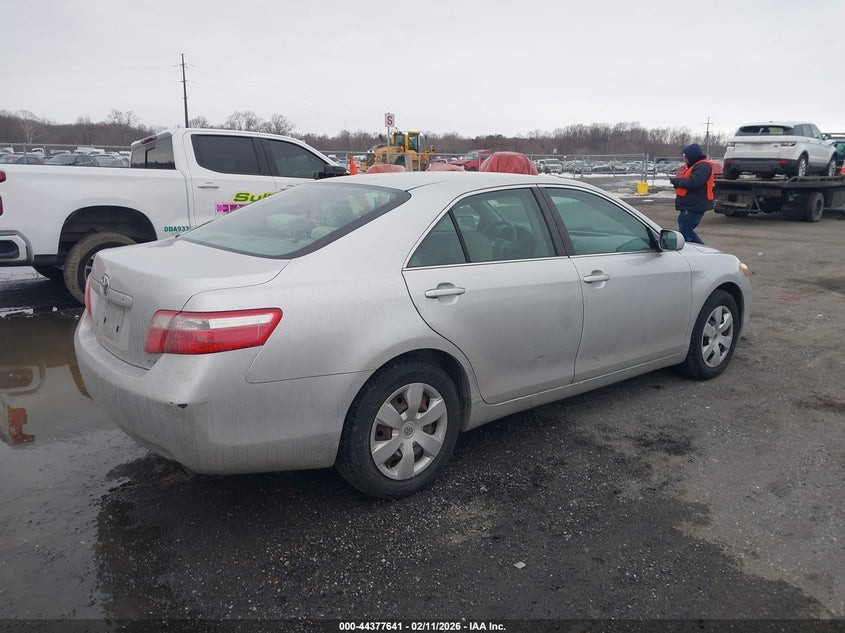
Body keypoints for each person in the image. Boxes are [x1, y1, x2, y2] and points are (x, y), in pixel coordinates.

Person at [669, 143, 714, 244]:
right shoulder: (696, 166)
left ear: (692, 156)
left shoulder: (703, 166)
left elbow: (694, 182)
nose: (685, 160)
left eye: (686, 157)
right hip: (690, 205)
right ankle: (703, 252)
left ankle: (701, 253)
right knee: (687, 232)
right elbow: (690, 182)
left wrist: (677, 182)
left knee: (685, 234)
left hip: (694, 206)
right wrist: (678, 183)